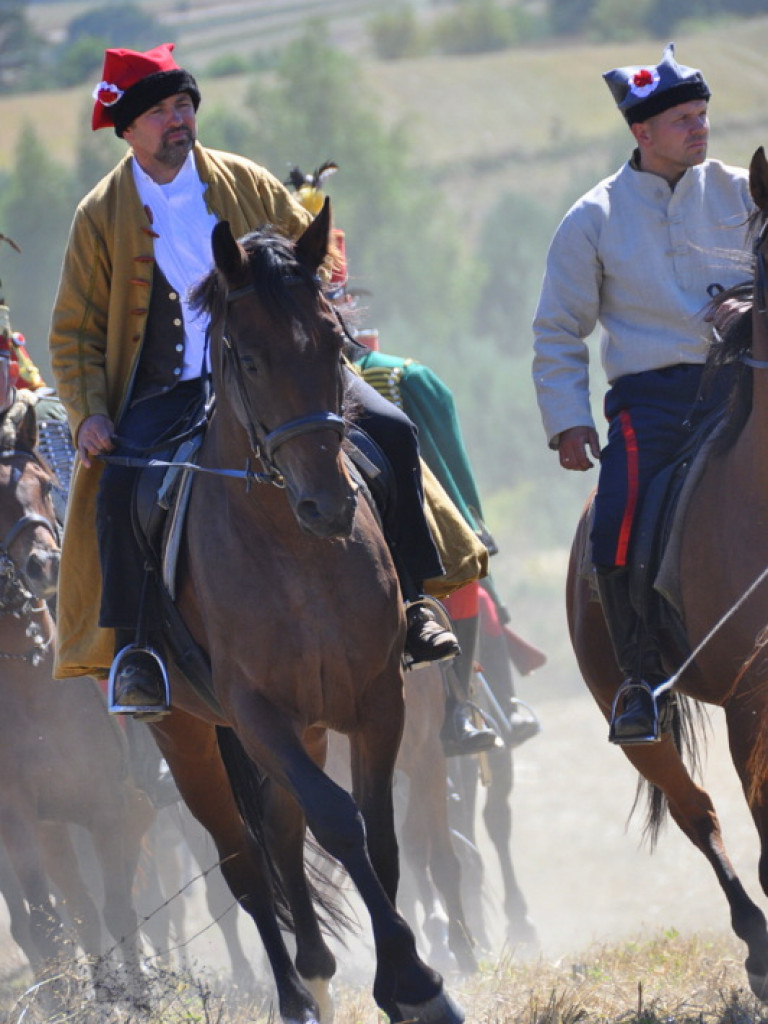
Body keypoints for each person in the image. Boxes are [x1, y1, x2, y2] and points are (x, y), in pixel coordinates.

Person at [48, 43, 458, 717]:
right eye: (160, 112)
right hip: (170, 390)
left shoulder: (244, 180)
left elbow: (311, 256)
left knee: (394, 431)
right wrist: (89, 412)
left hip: (284, 375)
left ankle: (412, 603)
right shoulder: (99, 215)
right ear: (127, 129)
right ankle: (139, 653)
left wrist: (318, 302)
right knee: (119, 483)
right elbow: (73, 333)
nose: (178, 120)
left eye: (184, 105)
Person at [532, 43, 754, 744]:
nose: (700, 128)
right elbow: (559, 331)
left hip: (748, 380)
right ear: (642, 132)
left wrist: (750, 311)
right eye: (684, 119)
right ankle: (640, 679)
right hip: (653, 402)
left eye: (702, 115)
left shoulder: (746, 191)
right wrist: (568, 421)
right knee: (617, 515)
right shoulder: (591, 218)